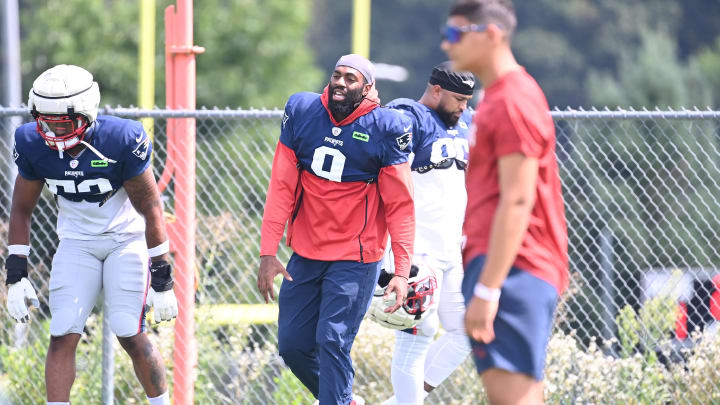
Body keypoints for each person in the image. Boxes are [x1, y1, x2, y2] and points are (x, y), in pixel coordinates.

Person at [5, 64, 177, 405]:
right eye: (45, 122)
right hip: (77, 243)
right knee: (62, 332)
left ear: (86, 115)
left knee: (130, 330)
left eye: (61, 123)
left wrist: (163, 277)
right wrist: (15, 275)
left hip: (124, 240)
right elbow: (21, 209)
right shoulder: (31, 143)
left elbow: (151, 208)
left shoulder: (119, 140)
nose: (51, 132)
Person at [257, 54, 416, 405]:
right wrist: (268, 252)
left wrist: (401, 271)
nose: (341, 82)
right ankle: (343, 399)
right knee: (293, 346)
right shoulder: (303, 111)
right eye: (337, 75)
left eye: (351, 78)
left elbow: (400, 206)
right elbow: (281, 186)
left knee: (332, 339)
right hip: (307, 252)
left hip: (356, 256)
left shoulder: (385, 127)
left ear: (368, 87)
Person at [442, 1, 569, 404]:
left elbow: (518, 199)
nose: (447, 46)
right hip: (507, 268)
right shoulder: (498, 97)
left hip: (513, 270)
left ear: (490, 34)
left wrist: (489, 290)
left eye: (455, 35)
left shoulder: (513, 99)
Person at [378, 62, 476, 405]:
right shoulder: (413, 116)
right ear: (436, 90)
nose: (464, 106)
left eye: (468, 99)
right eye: (458, 98)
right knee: (418, 337)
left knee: (467, 331)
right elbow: (389, 126)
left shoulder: (464, 123)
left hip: (451, 251)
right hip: (416, 253)